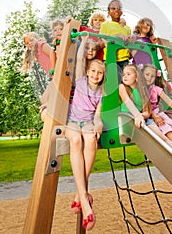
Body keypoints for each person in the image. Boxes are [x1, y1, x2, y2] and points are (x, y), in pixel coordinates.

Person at [64, 48, 105, 230]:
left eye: (100, 73)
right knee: (76, 141)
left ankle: (79, 195)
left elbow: (97, 116)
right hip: (72, 121)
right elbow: (80, 57)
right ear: (88, 72)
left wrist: (98, 126)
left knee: (90, 139)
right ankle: (85, 202)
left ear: (103, 76)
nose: (96, 75)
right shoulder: (80, 81)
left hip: (88, 122)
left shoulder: (101, 94)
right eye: (93, 71)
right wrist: (85, 38)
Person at [100, 0, 133, 75]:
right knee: (111, 81)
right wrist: (115, 36)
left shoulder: (127, 28)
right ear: (108, 12)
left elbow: (129, 45)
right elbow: (104, 40)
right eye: (113, 8)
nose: (116, 10)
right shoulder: (105, 24)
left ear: (122, 12)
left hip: (125, 59)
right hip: (110, 58)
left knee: (124, 82)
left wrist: (131, 39)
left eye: (119, 8)